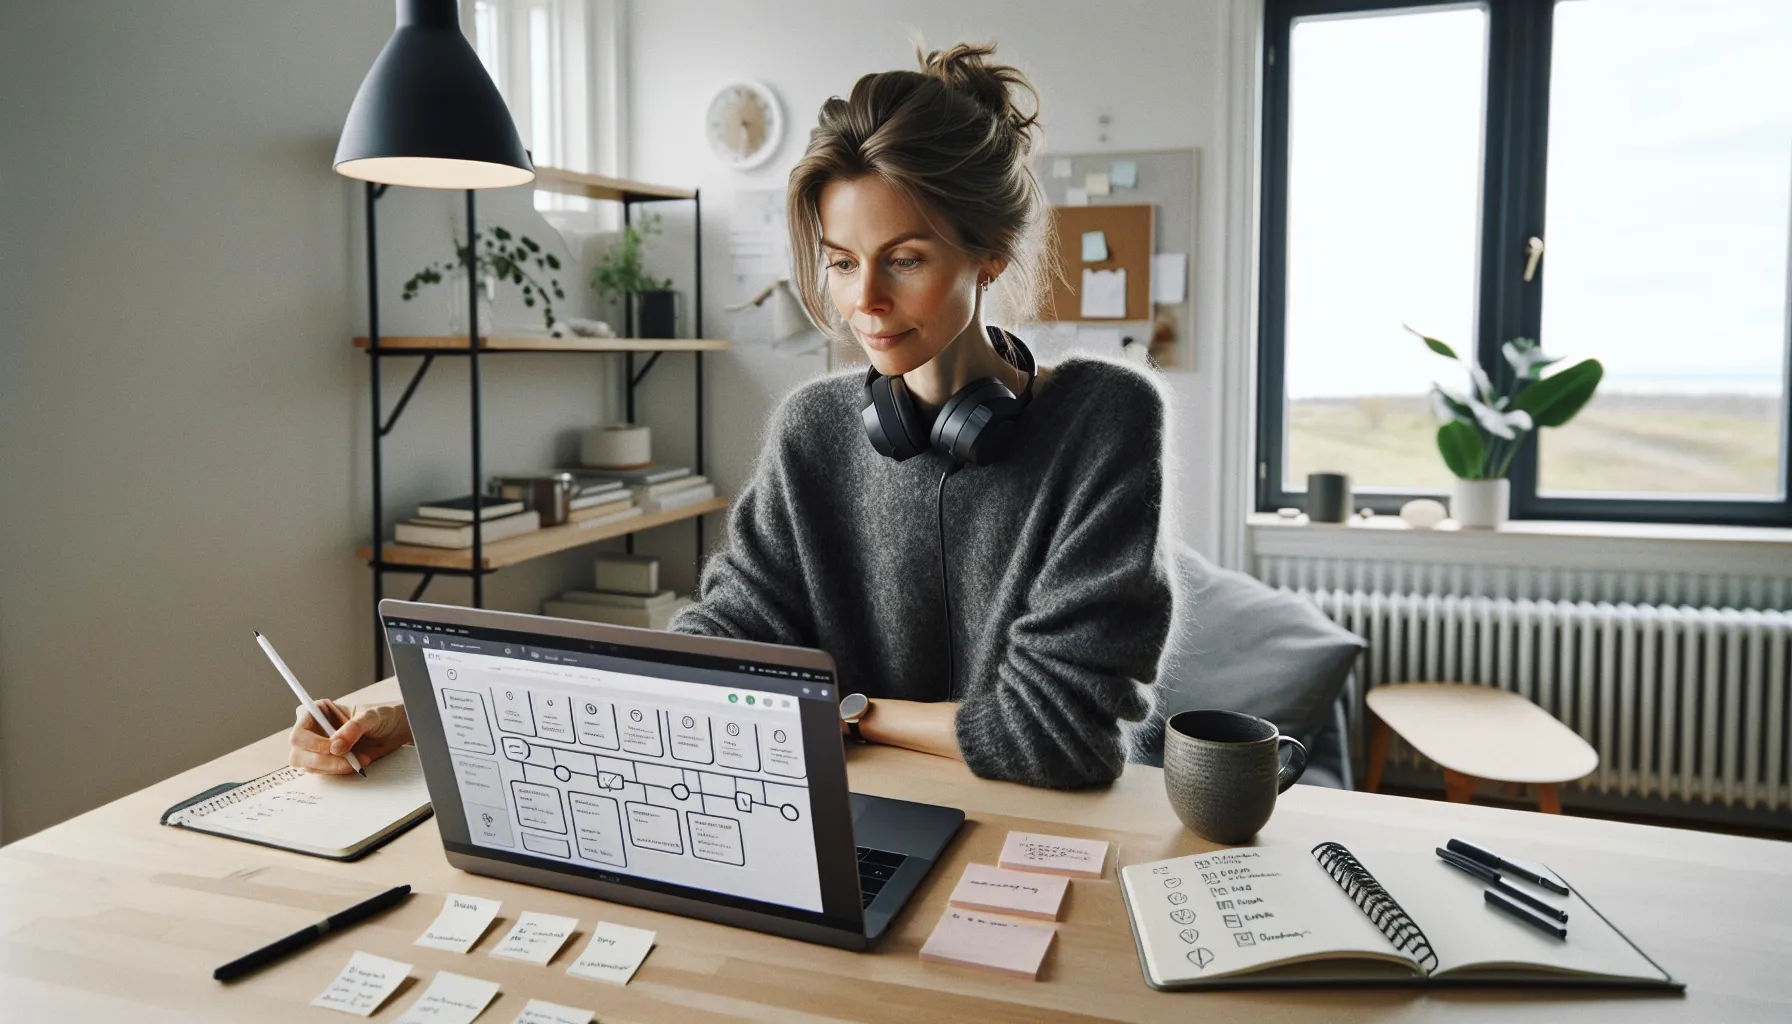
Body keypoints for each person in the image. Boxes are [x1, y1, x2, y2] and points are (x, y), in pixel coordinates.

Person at [293, 41, 1174, 789]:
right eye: (838, 261)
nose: (863, 301)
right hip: (849, 821)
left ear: (990, 257)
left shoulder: (1105, 419)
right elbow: (711, 649)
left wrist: (852, 714)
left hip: (1034, 847)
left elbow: (1066, 736)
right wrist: (424, 705)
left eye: (903, 259)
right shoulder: (815, 430)